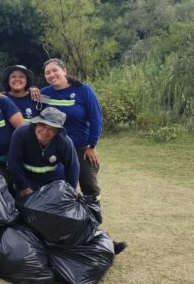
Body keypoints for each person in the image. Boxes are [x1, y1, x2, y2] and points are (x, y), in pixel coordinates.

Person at [7, 107, 127, 254]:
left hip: (55, 185)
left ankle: (105, 245)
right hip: (28, 184)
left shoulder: (64, 141)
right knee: (26, 219)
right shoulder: (21, 134)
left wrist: (69, 193)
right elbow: (13, 162)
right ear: (36, 124)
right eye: (42, 125)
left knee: (74, 219)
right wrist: (23, 187)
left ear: (58, 131)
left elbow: (73, 168)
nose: (45, 131)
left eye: (52, 129)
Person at [41, 58, 103, 198]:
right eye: (47, 73)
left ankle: (93, 218)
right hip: (55, 149)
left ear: (64, 70)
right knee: (61, 189)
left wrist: (91, 145)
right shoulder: (44, 94)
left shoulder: (83, 90)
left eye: (54, 70)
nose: (51, 75)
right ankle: (65, 218)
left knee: (90, 188)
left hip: (81, 149)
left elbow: (96, 118)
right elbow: (32, 108)